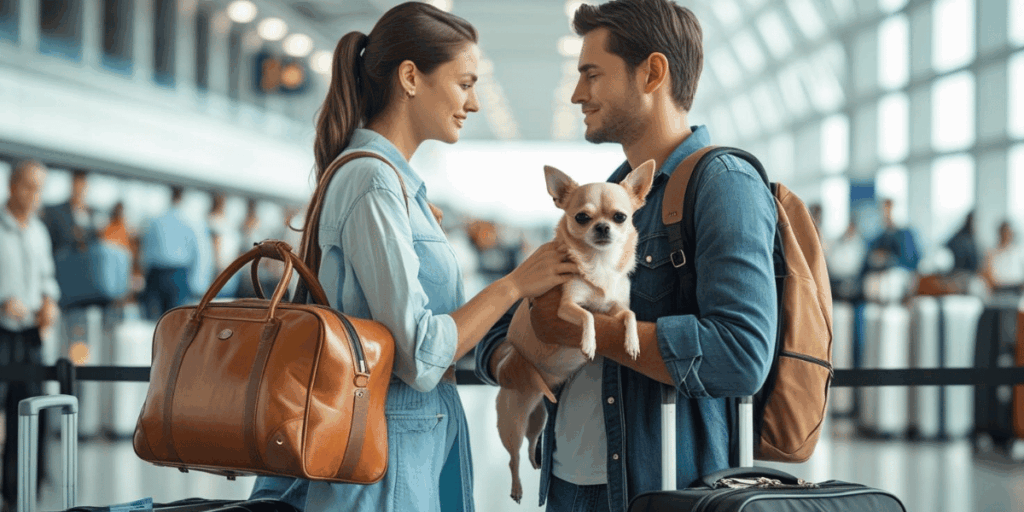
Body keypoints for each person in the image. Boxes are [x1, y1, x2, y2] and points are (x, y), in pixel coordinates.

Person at [247, 3, 577, 512]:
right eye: (465, 83)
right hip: (382, 467)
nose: (475, 103)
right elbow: (421, 357)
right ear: (410, 77)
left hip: (400, 455)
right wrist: (513, 286)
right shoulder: (374, 182)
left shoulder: (392, 186)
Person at [475, 1, 778, 510]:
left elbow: (742, 355)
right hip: (567, 480)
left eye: (591, 74)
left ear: (652, 72)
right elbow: (506, 327)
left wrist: (580, 329)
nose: (577, 94)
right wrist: (512, 364)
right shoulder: (602, 199)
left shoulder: (723, 185)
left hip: (660, 486)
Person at [0, 161, 61, 512]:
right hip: (3, 332)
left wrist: (50, 301)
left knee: (31, 412)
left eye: (39, 189)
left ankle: (26, 491)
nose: (34, 196)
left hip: (32, 336)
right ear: (11, 186)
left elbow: (47, 278)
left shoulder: (39, 231)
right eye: (28, 187)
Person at [138, 186, 208, 319]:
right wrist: (198, 284)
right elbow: (199, 253)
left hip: (156, 274)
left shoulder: (156, 220)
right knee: (176, 321)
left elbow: (146, 251)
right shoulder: (191, 221)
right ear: (183, 198)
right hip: (179, 275)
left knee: (154, 321)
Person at [862, 198, 920, 275]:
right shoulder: (879, 237)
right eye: (884, 211)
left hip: (901, 273)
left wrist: (888, 259)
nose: (886, 215)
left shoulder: (905, 235)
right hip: (879, 273)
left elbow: (910, 261)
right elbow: (868, 259)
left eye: (889, 211)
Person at [981, 220, 1024, 295]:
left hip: (1017, 289)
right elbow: (987, 274)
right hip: (999, 290)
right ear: (1000, 233)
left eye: (1008, 232)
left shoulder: (1018, 252)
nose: (1006, 235)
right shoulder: (991, 253)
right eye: (1004, 232)